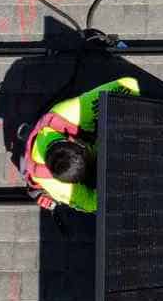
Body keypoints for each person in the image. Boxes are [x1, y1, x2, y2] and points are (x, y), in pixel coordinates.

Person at [19, 75, 140, 213]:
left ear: (73, 140)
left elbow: (129, 85)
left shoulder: (70, 114)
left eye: (87, 155)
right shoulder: (53, 183)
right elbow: (92, 204)